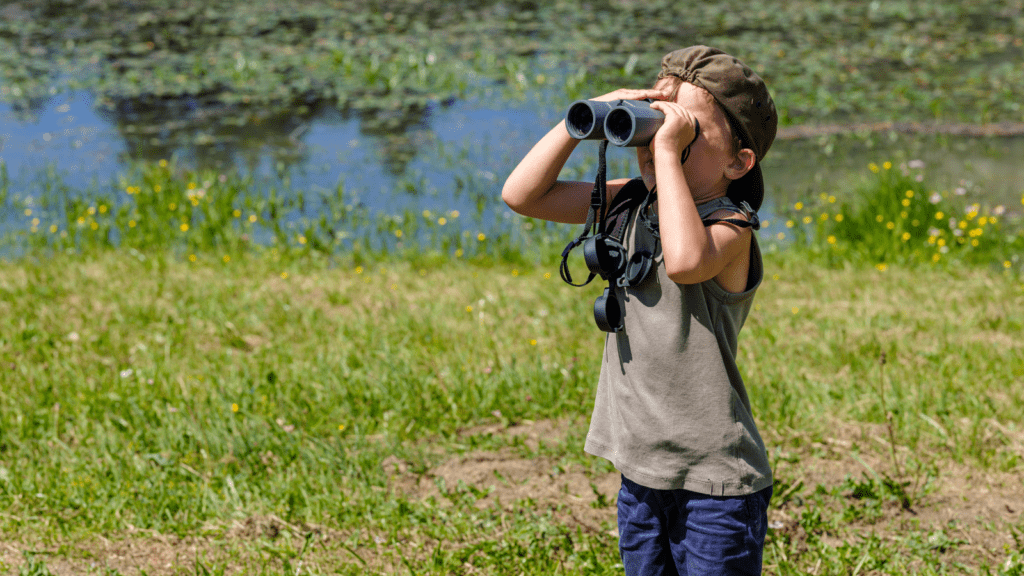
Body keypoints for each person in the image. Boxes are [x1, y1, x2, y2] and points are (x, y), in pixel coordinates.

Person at [501, 45, 778, 575]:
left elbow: (684, 261)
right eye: (654, 125)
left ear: (739, 162)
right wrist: (579, 120)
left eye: (687, 129)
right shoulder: (629, 203)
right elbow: (523, 196)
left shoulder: (732, 226)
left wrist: (667, 156)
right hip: (641, 467)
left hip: (715, 482)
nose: (660, 141)